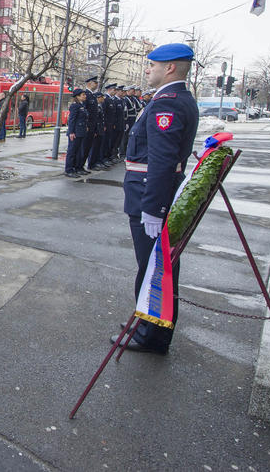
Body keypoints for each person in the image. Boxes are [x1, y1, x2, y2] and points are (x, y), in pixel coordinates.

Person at [113, 43, 199, 354]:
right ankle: (145, 320)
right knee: (152, 266)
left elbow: (162, 162)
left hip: (150, 197)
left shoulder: (168, 103)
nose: (148, 70)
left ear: (170, 68)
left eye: (152, 65)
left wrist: (153, 208)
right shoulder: (169, 99)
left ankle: (151, 334)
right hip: (150, 193)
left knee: (155, 268)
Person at [64, 89, 89, 177]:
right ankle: (69, 170)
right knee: (72, 151)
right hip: (75, 132)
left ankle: (77, 168)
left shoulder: (82, 105)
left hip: (81, 131)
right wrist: (71, 132)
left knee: (79, 151)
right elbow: (72, 120)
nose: (85, 96)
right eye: (83, 95)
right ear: (77, 96)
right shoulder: (75, 106)